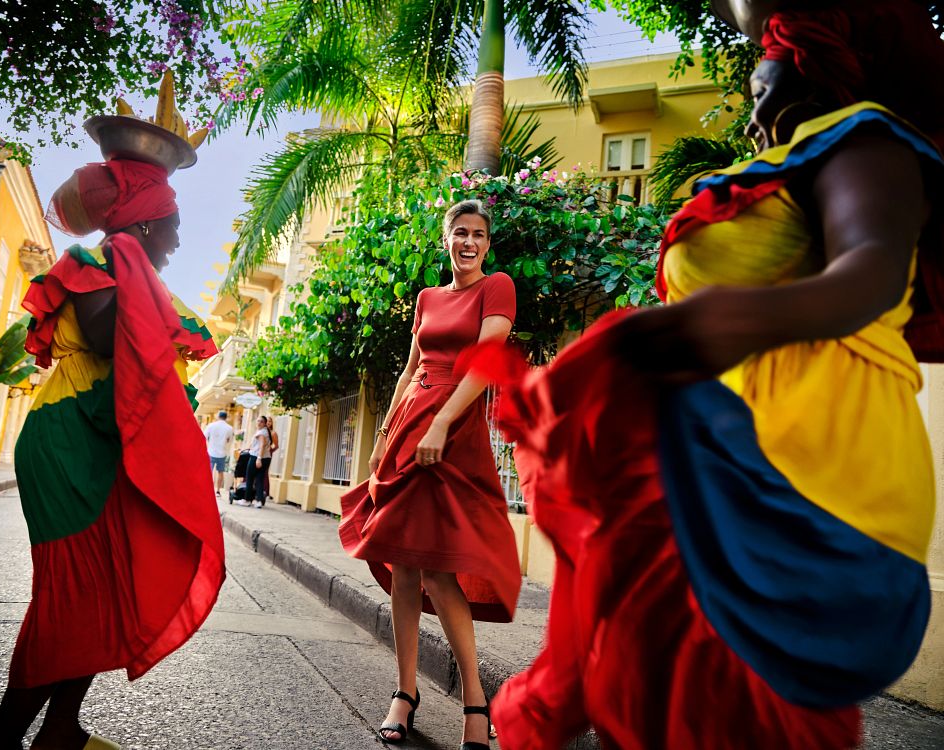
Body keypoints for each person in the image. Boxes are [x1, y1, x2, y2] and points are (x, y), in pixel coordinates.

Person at [459, 2, 944, 748]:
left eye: (758, 88)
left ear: (807, 65)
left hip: (824, 488)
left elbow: (870, 276)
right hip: (732, 461)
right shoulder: (791, 163)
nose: (752, 117)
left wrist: (701, 326)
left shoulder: (867, 140)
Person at [0, 149, 225, 746]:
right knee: (72, 592)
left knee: (108, 584)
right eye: (170, 224)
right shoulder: (98, 258)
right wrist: (143, 281)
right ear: (143, 221)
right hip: (70, 436)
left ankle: (61, 727)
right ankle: (3, 741)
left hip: (101, 433)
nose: (175, 238)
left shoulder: (133, 265)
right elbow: (102, 332)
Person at [339, 200, 521, 749]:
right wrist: (381, 441)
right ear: (447, 239)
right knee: (404, 565)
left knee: (440, 571)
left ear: (488, 245)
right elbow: (411, 369)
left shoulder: (498, 287)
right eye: (460, 233)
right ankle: (405, 692)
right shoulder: (428, 298)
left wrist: (442, 423)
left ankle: (474, 700)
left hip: (453, 432)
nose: (469, 242)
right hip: (409, 426)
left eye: (479, 235)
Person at [238, 415, 272, 508]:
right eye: (258, 421)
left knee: (250, 478)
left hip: (257, 457)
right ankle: (259, 501)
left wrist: (259, 458)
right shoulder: (266, 432)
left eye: (261, 421)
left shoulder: (261, 433)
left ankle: (247, 500)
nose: (259, 423)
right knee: (260, 479)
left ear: (265, 423)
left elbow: (261, 446)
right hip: (266, 458)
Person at [203, 410, 234, 496]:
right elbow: (230, 440)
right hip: (222, 453)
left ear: (218, 416)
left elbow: (204, 436)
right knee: (220, 472)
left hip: (211, 452)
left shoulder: (211, 425)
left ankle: (207, 489)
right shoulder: (229, 428)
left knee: (209, 472)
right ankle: (218, 491)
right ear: (226, 417)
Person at [264, 415, 279, 501]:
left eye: (270, 421)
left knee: (265, 472)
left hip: (267, 454)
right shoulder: (261, 431)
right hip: (258, 453)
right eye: (267, 421)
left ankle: (266, 491)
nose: (268, 423)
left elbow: (276, 446)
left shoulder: (273, 433)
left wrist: (270, 451)